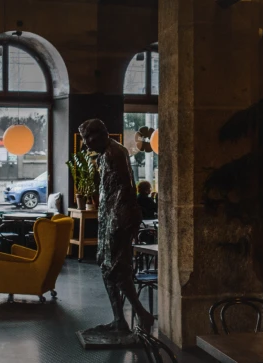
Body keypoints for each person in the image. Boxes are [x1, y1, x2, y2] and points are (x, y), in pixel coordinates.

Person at [78, 119, 154, 335]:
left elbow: (124, 190)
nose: (86, 144)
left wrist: (116, 224)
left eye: (88, 139)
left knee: (116, 269)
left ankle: (141, 314)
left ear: (101, 134)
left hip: (118, 219)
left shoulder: (115, 153)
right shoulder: (104, 154)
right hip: (110, 217)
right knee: (106, 266)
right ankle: (119, 320)